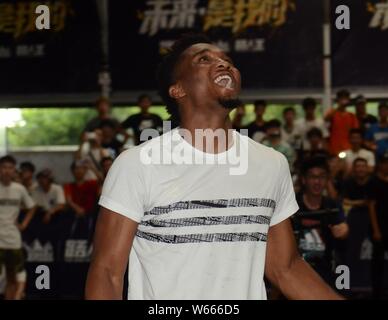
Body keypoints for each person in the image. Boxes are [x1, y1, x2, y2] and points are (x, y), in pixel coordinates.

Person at [86, 34, 342, 300]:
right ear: (178, 89)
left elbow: (286, 268)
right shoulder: (137, 165)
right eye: (204, 60)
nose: (223, 64)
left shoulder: (271, 164)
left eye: (227, 60)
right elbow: (107, 272)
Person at [294, 157, 349, 287]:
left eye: (322, 177)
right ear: (303, 180)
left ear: (327, 181)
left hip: (325, 267)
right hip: (297, 268)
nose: (317, 182)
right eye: (313, 177)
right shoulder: (292, 205)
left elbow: (343, 228)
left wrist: (344, 231)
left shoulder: (332, 205)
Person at [0, 155, 36, 300]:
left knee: (14, 275)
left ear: (14, 170)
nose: (7, 171)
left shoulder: (19, 189)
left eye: (10, 168)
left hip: (13, 238)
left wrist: (24, 224)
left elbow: (32, 206)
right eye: (4, 167)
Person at [367, 155, 388, 299]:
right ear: (380, 165)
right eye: (385, 163)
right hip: (379, 228)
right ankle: (377, 294)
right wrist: (376, 230)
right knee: (378, 263)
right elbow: (371, 206)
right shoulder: (373, 182)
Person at [325, 90, 359, 156]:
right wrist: (339, 107)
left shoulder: (352, 116)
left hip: (348, 148)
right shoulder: (332, 113)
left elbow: (355, 132)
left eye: (345, 98)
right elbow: (326, 120)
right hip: (334, 148)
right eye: (341, 98)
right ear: (337, 100)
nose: (343, 100)